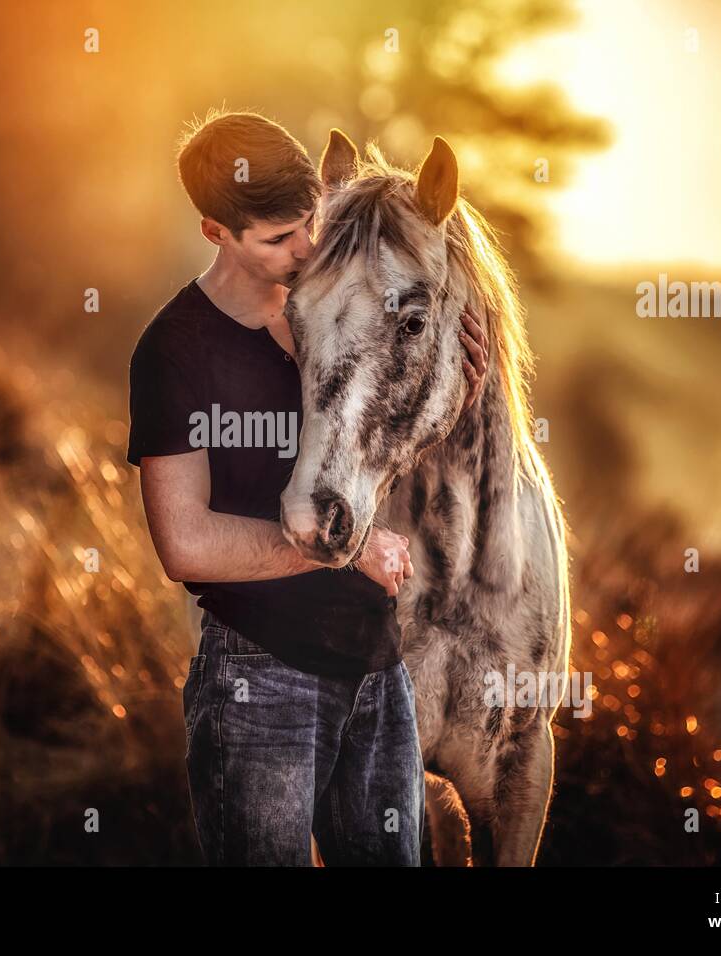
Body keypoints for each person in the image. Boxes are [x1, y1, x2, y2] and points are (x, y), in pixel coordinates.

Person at [125, 110, 488, 865]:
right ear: (215, 232)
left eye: (309, 224)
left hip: (379, 668)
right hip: (260, 682)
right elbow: (184, 544)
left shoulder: (340, 306)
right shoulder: (175, 351)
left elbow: (379, 452)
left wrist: (454, 391)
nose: (307, 249)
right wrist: (340, 556)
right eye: (278, 239)